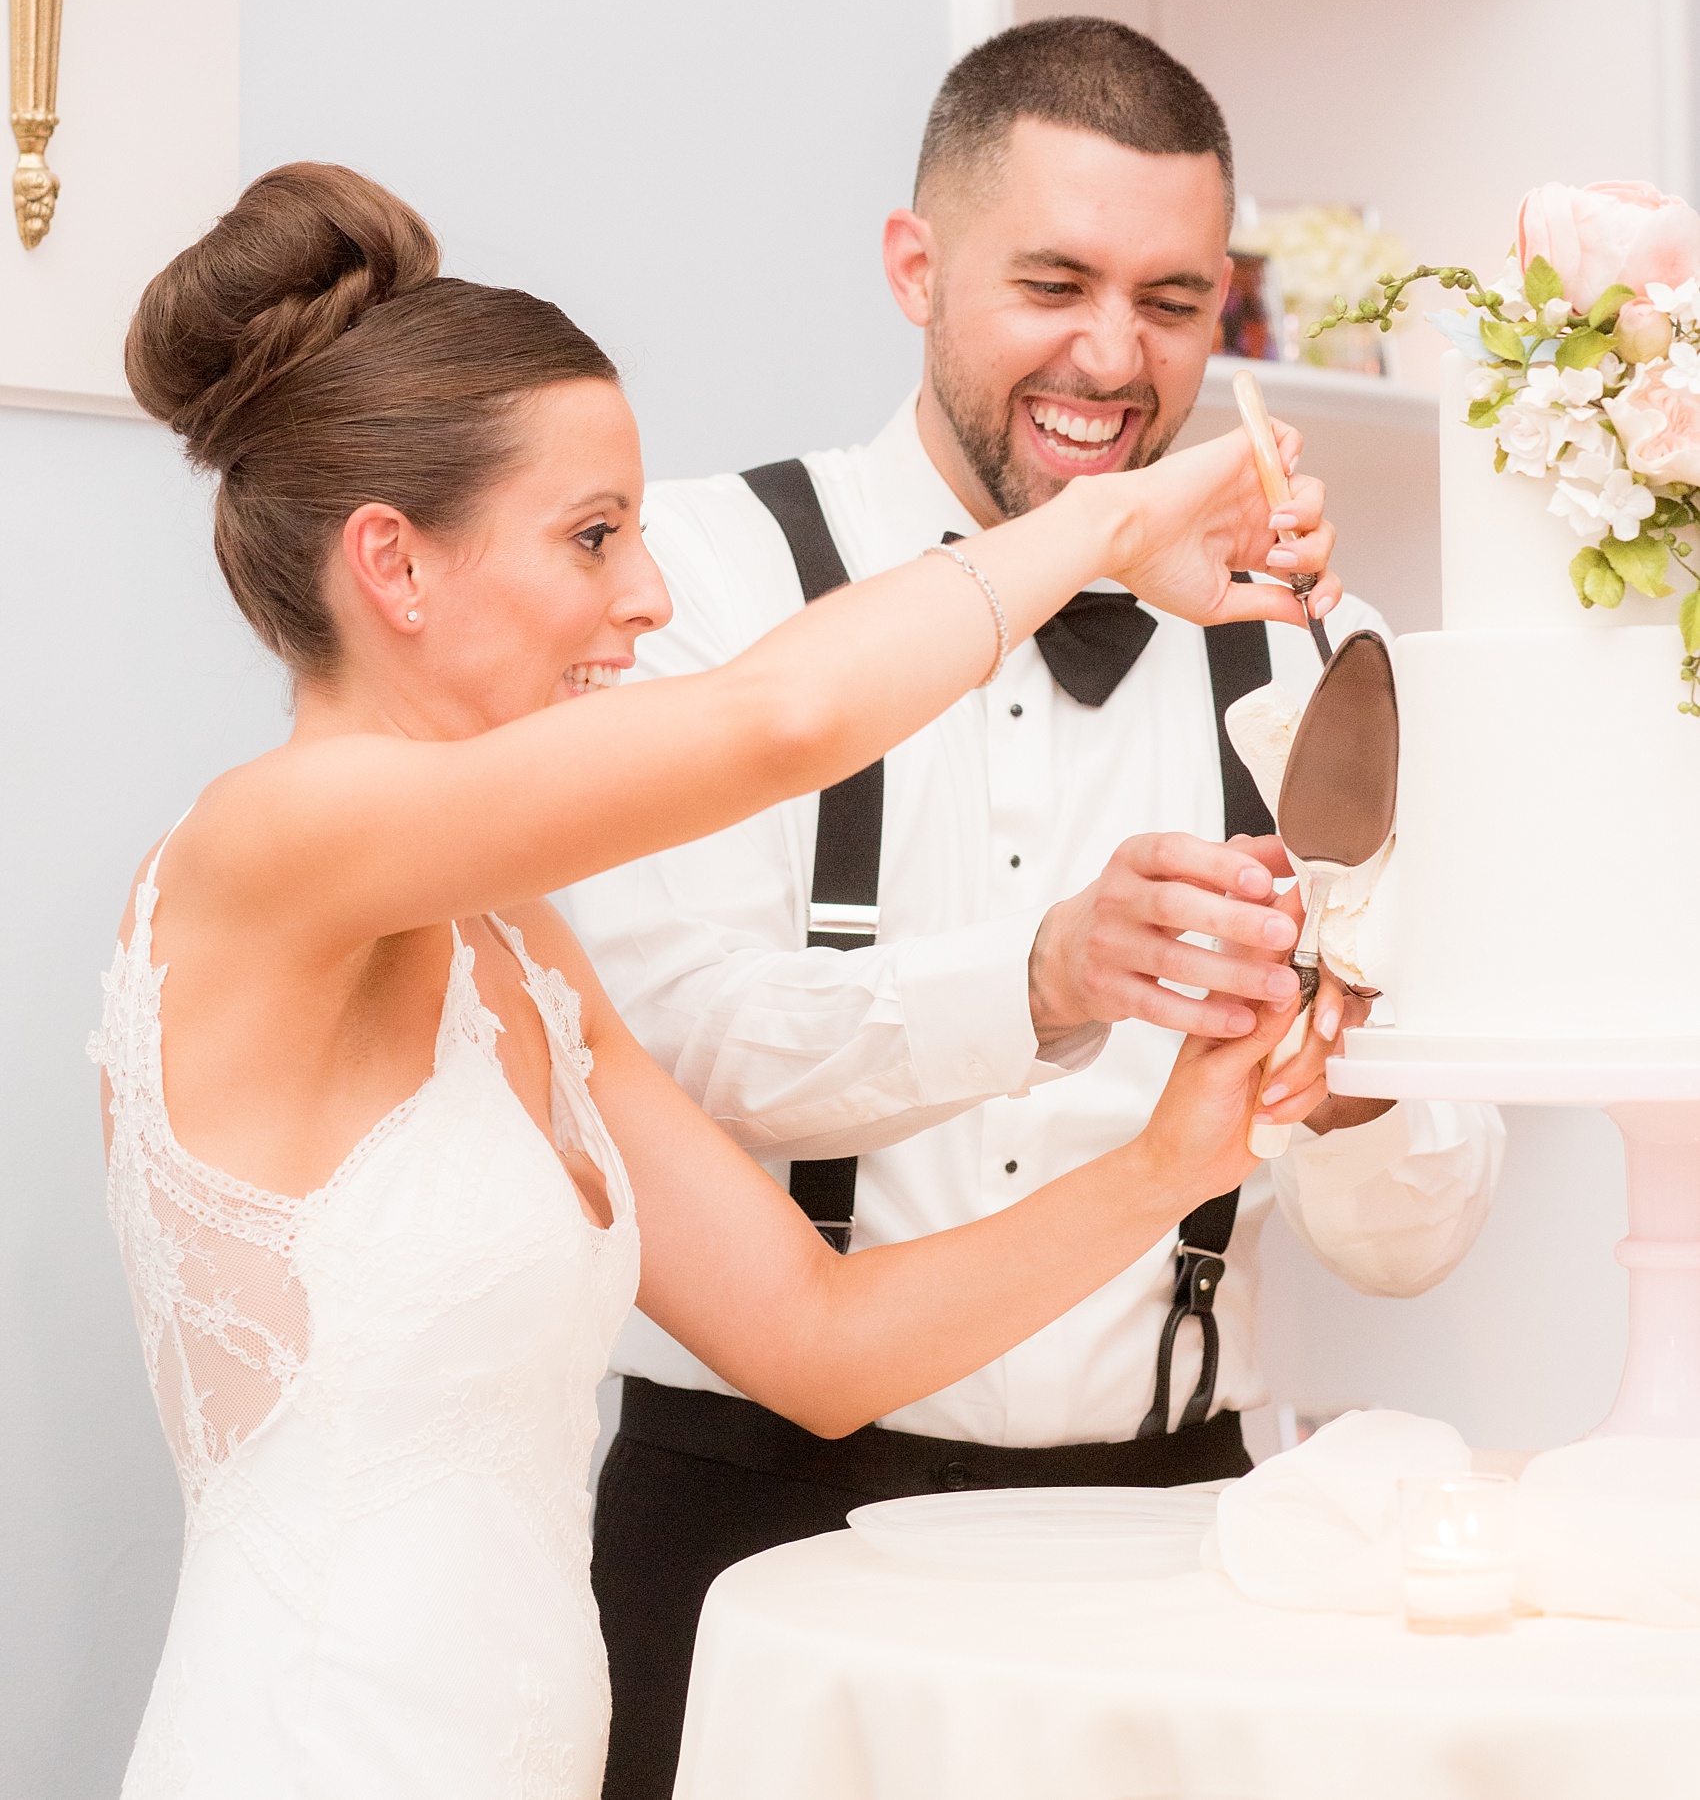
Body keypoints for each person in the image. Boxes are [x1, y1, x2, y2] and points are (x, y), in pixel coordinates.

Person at [96, 160, 1340, 1800]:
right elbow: (779, 722)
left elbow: (820, 1341)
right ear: (394, 565)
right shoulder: (263, 851)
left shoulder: (516, 941)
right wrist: (1107, 524)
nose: (651, 594)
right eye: (597, 534)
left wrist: (1189, 1152)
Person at [570, 17, 1505, 1800]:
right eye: (1054, 280)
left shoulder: (1322, 652)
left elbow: (1414, 1236)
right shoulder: (698, 581)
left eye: (1171, 299)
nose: (1112, 354)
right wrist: (1051, 969)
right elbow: (687, 1047)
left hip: (1173, 1538)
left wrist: (1356, 1082)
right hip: (758, 1523)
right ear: (917, 265)